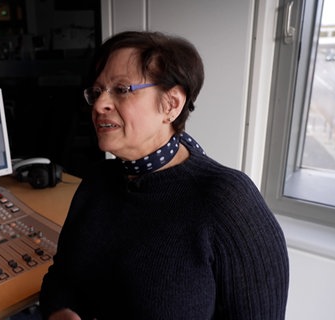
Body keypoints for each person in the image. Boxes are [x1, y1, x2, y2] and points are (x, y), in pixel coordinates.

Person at [39, 31, 289, 320]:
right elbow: (61, 277)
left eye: (121, 89)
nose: (98, 106)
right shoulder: (96, 181)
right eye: (96, 92)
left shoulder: (227, 201)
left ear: (171, 105)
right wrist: (60, 312)